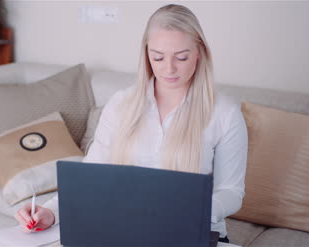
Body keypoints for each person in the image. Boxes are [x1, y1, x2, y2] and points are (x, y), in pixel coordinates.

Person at [14, 4, 248, 243]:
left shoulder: (225, 113)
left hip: (192, 232)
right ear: (146, 54)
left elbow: (231, 192)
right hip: (126, 230)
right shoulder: (121, 104)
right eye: (158, 57)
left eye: (181, 57)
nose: (169, 68)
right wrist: (51, 212)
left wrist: (188, 211)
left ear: (200, 52)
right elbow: (93, 176)